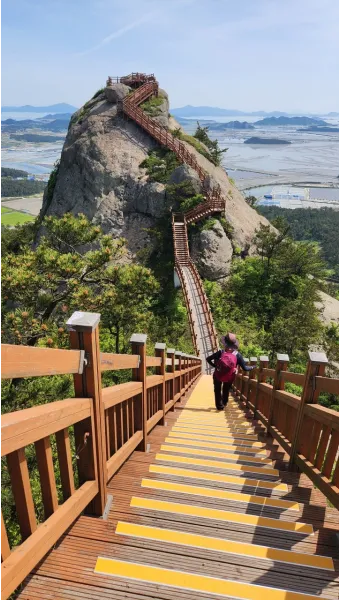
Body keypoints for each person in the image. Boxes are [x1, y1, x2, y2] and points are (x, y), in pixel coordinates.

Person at [206, 333, 256, 410]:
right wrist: (253, 367)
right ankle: (224, 402)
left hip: (217, 374)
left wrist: (215, 366)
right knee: (226, 389)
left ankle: (219, 406)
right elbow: (245, 368)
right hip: (230, 376)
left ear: (224, 343)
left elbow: (208, 359)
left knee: (217, 389)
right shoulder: (237, 355)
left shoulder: (220, 352)